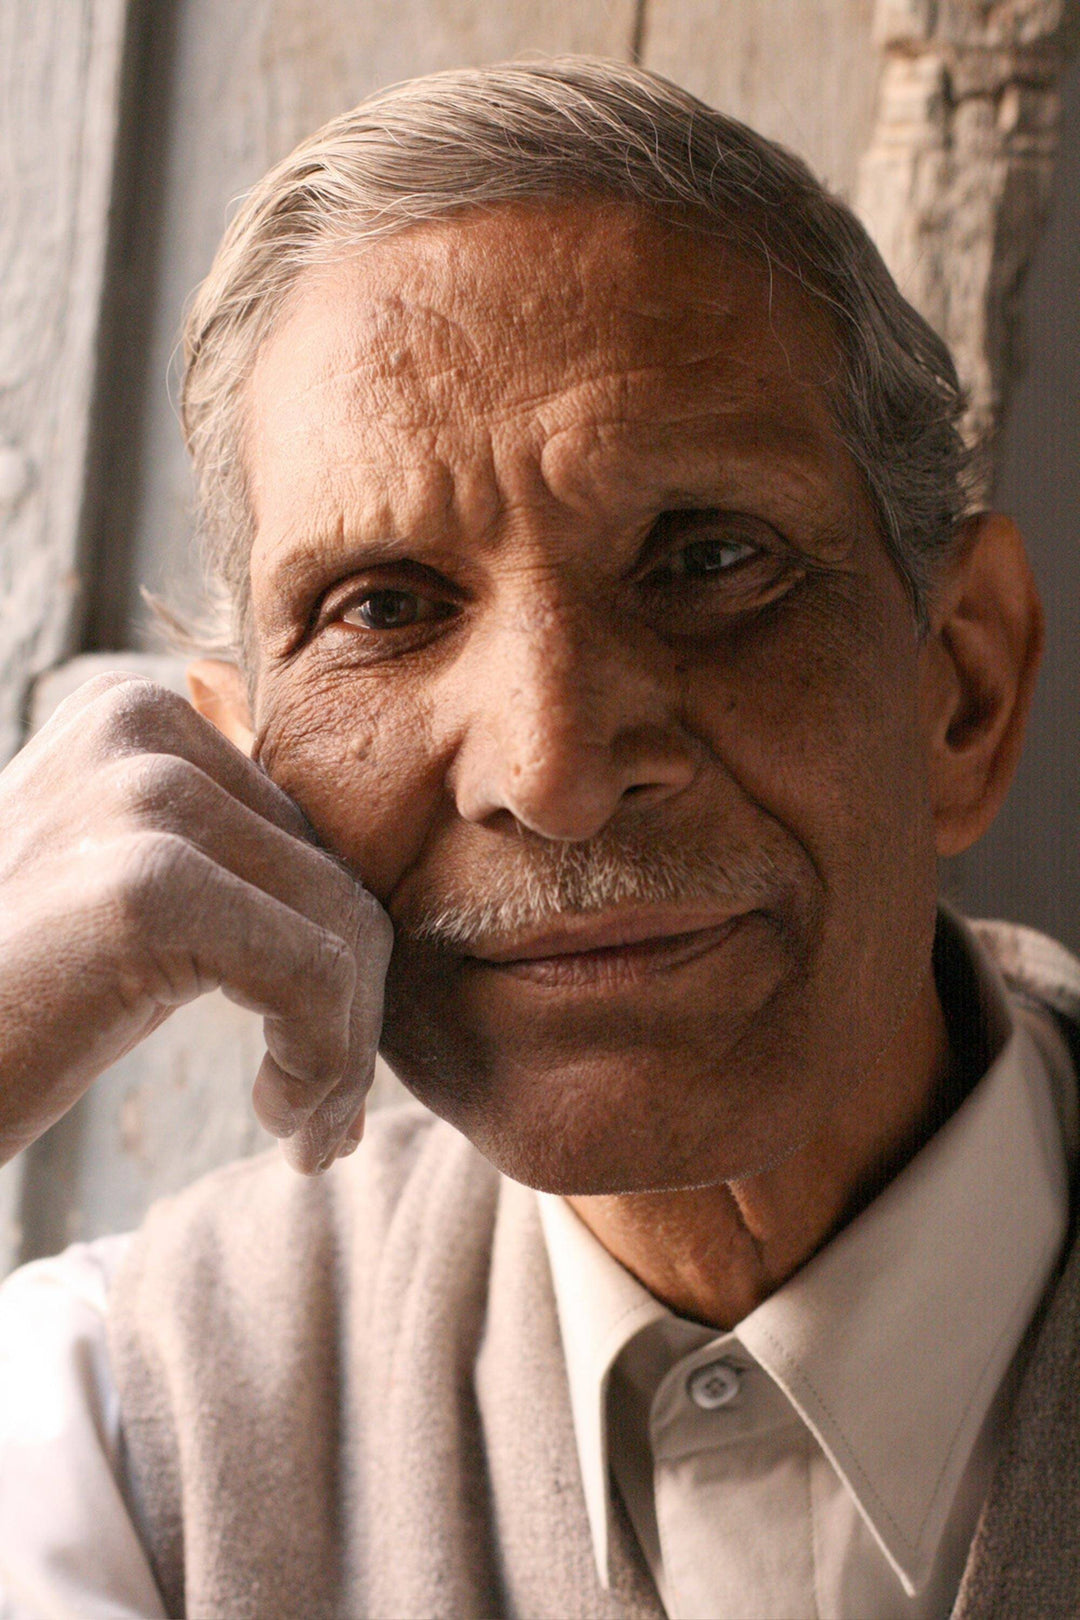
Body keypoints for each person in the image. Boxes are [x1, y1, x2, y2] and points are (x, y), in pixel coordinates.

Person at [0, 56, 1074, 1620]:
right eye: (384, 608)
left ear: (963, 692)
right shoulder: (123, 1431)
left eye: (709, 559)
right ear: (243, 783)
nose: (555, 768)